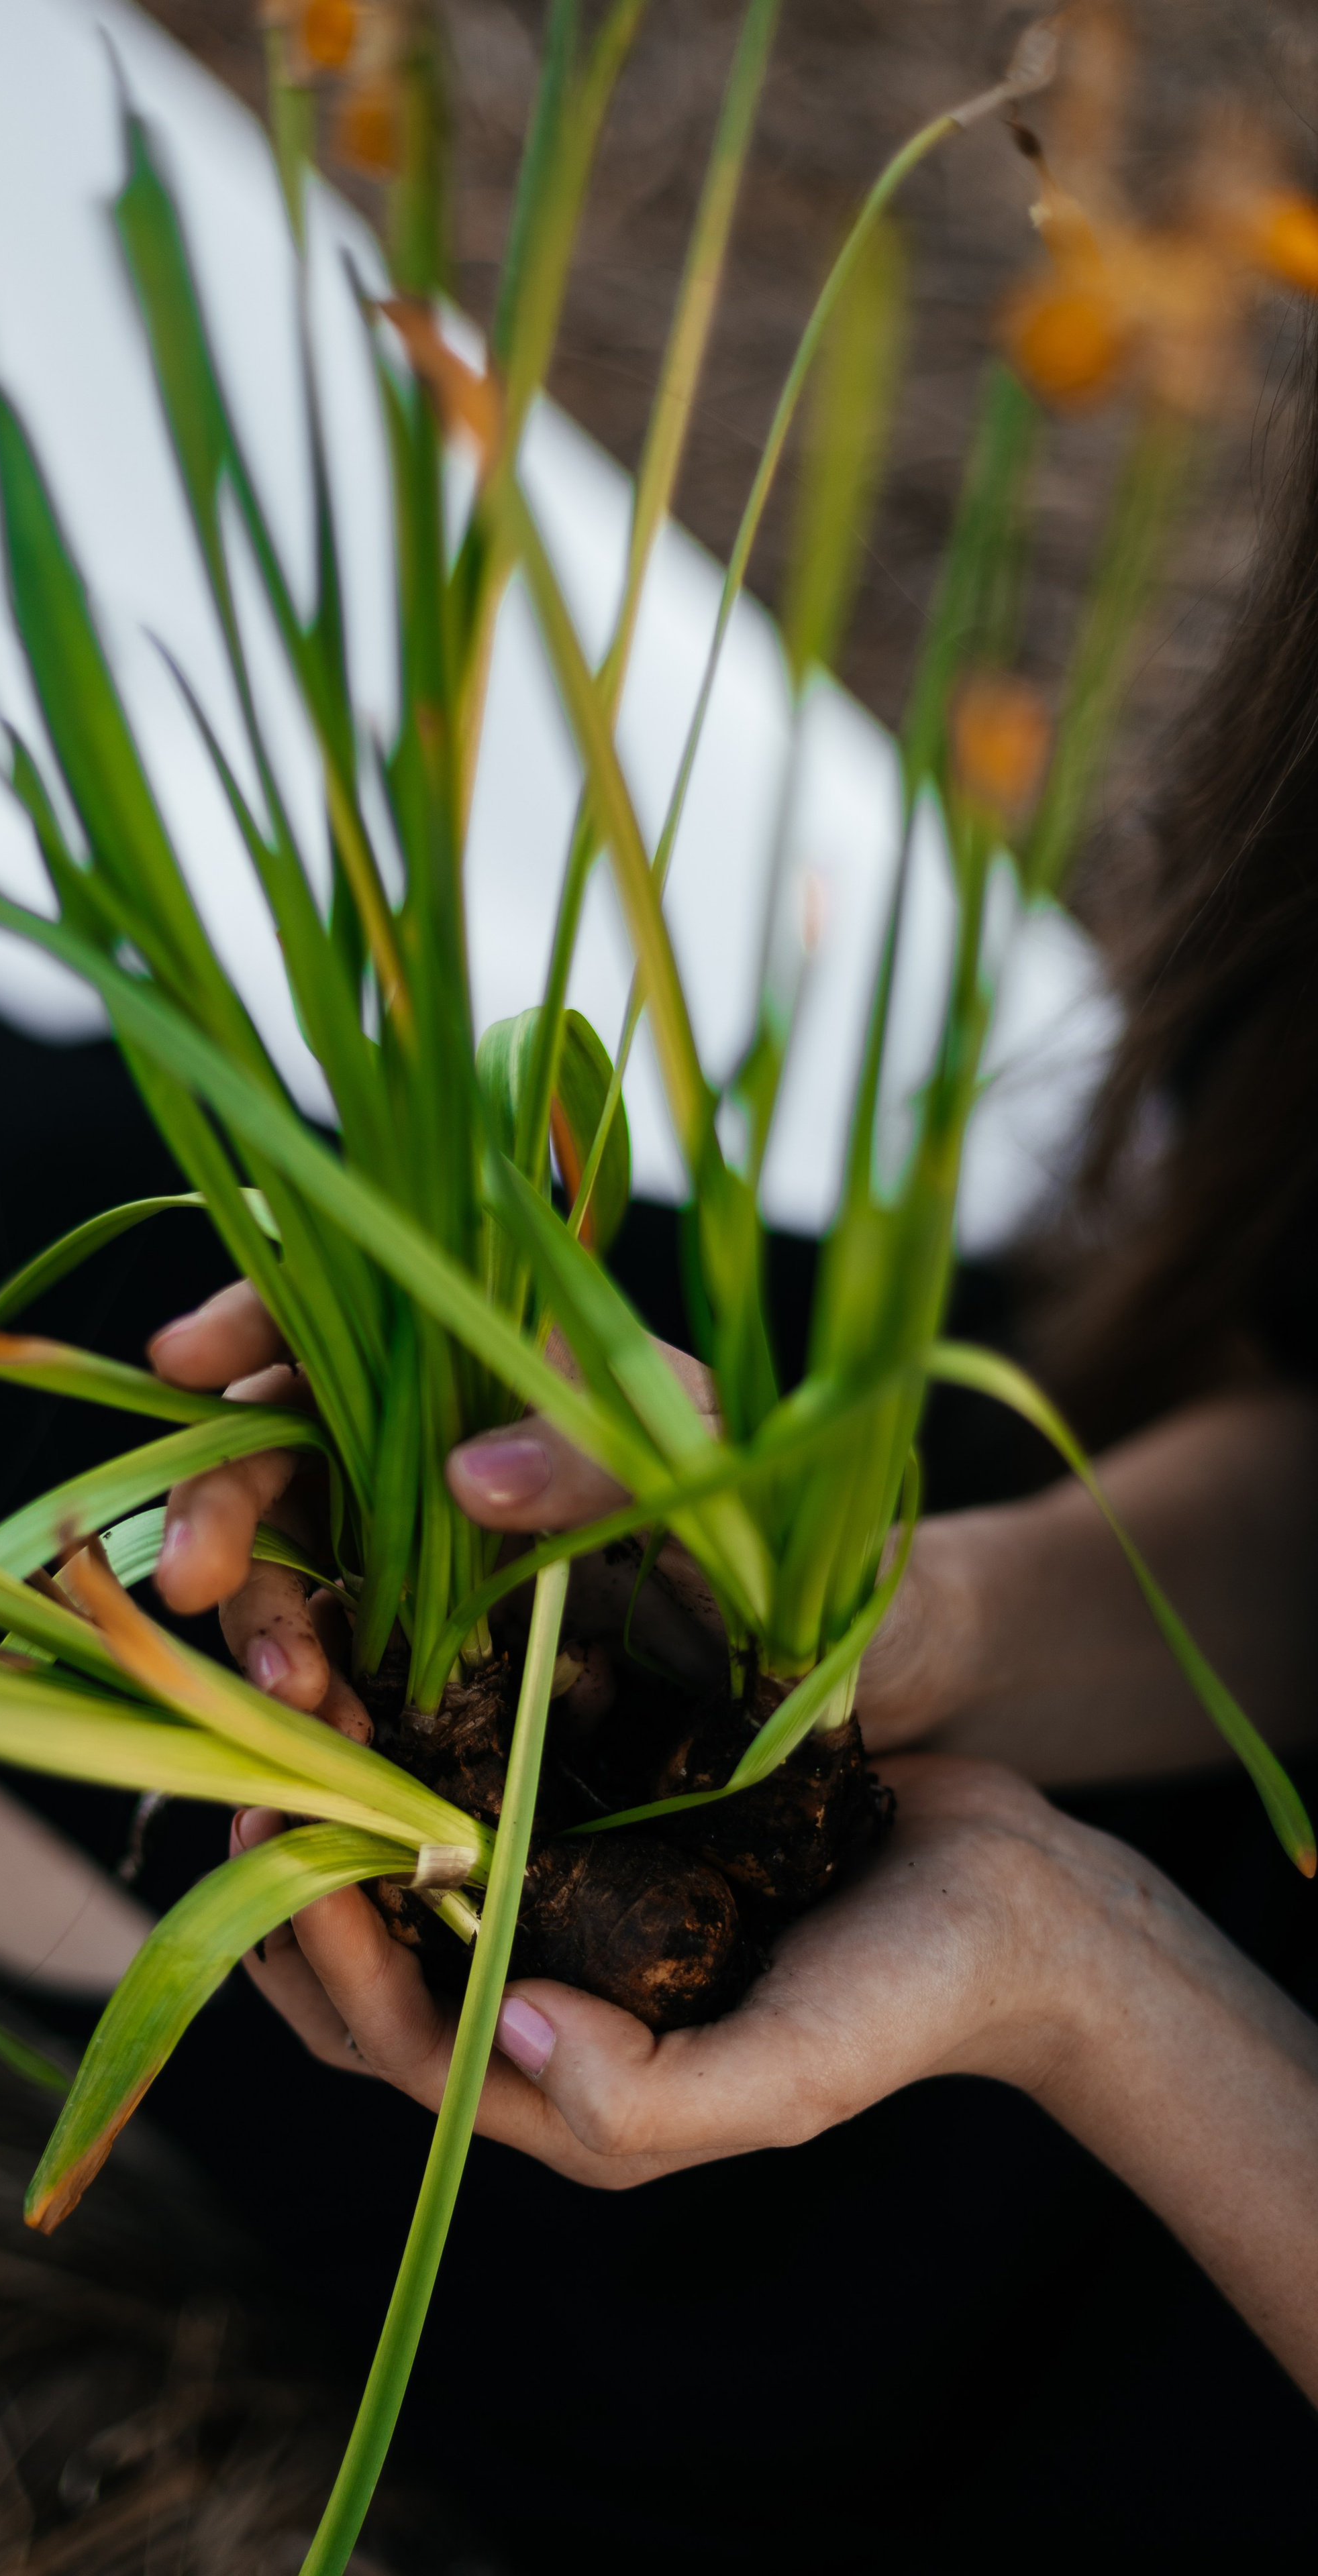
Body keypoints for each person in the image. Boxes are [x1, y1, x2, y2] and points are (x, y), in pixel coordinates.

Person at [138, 348, 1318, 2424]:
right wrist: (914, 1620)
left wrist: (1090, 1982)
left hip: (1143, 2279)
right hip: (1094, 1770)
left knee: (44, 1672)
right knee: (220, 1262)